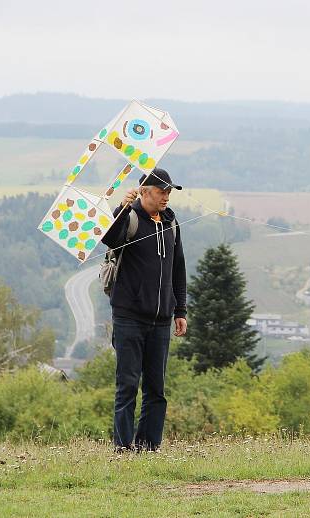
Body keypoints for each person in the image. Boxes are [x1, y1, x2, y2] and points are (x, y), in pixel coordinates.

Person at [102, 167, 187, 452]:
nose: (166, 197)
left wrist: (181, 310)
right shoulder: (131, 218)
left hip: (162, 320)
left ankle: (148, 447)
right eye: (161, 192)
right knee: (127, 385)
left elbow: (179, 269)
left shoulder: (171, 223)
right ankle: (123, 448)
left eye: (169, 192)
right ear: (144, 191)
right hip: (129, 317)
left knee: (156, 389)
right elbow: (110, 239)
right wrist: (122, 207)